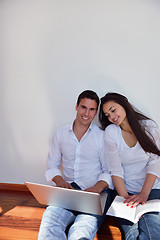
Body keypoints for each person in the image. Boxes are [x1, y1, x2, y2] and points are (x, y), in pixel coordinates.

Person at [38, 90, 113, 240]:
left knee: (81, 230)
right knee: (50, 222)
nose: (87, 113)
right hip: (67, 191)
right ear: (76, 107)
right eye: (83, 107)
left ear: (96, 111)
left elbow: (109, 170)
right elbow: (52, 164)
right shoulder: (60, 133)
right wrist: (60, 182)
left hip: (95, 193)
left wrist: (96, 189)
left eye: (92, 109)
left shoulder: (102, 136)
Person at [99, 92, 160, 240]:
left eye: (113, 110)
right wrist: (125, 199)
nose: (111, 117)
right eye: (107, 115)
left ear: (124, 105)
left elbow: (155, 162)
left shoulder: (149, 126)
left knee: (152, 233)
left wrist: (143, 195)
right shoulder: (111, 132)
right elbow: (116, 170)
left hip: (151, 190)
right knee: (132, 235)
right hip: (124, 192)